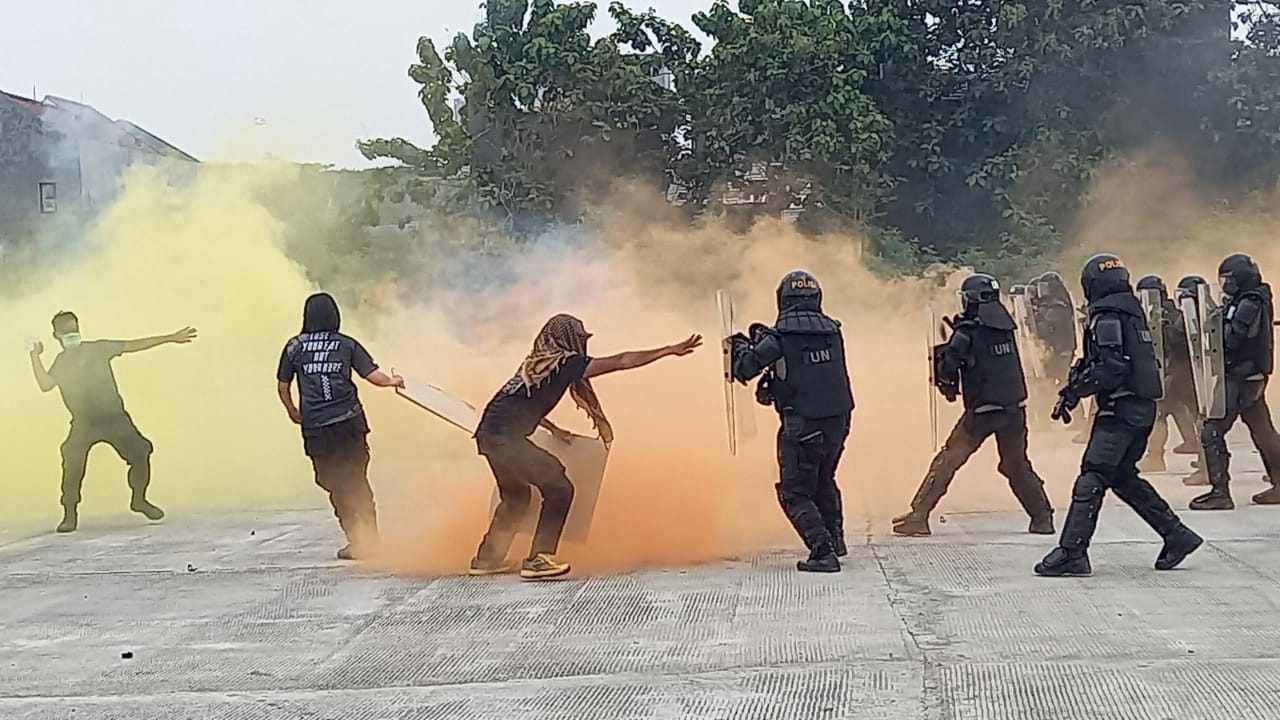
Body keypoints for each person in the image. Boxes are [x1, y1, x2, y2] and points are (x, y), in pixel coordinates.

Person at [470, 314, 701, 580]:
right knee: (559, 488)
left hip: (488, 436)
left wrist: (552, 428)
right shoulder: (564, 363)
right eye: (578, 339)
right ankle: (538, 559)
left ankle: (487, 559)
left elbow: (514, 404)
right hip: (506, 440)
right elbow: (621, 361)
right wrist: (667, 350)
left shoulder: (534, 364)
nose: (581, 345)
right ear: (566, 339)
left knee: (516, 497)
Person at [1035, 254, 1202, 577]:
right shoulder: (1129, 312)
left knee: (1093, 475)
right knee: (1123, 477)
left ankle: (1072, 551)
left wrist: (1075, 392)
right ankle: (1177, 535)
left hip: (1121, 408)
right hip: (1137, 407)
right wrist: (1074, 389)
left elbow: (1110, 367)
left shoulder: (1109, 316)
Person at [892, 273, 1055, 537]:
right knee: (1016, 464)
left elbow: (948, 369)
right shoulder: (1006, 327)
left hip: (982, 412)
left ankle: (919, 515)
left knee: (948, 459)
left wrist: (941, 357)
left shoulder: (967, 332)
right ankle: (1042, 517)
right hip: (1014, 409)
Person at [729, 271, 854, 572]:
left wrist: (739, 345)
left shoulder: (781, 337)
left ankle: (822, 551)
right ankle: (835, 539)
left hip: (803, 425)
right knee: (824, 479)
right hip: (839, 420)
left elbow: (745, 369)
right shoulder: (832, 332)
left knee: (795, 492)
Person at [29, 311, 197, 533]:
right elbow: (45, 384)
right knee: (72, 464)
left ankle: (139, 499)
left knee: (141, 452)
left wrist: (169, 337)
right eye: (66, 332)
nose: (72, 335)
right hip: (84, 423)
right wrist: (34, 356)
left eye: (74, 330)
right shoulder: (61, 362)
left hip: (115, 419)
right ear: (56, 336)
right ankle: (69, 514)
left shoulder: (98, 349)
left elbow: (133, 345)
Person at [276, 293, 404, 560]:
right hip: (349, 422)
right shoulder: (347, 345)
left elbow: (283, 384)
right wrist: (394, 381)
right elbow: (373, 376)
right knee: (357, 480)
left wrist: (292, 410)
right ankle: (370, 539)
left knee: (332, 482)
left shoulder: (294, 347)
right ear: (335, 316)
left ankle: (357, 540)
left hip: (316, 427)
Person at [1189, 253, 1280, 509]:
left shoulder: (1249, 302)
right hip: (1250, 376)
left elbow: (1232, 338)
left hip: (1241, 376)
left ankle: (1220, 493)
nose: (1225, 284)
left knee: (1212, 430)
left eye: (1227, 279)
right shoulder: (1249, 299)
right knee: (1263, 432)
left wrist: (1216, 322)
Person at [1135, 275, 1201, 473]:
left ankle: (1155, 457)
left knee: (1159, 413)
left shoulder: (1161, 314)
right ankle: (1199, 451)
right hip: (1185, 373)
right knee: (1185, 410)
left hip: (1175, 371)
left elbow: (1169, 343)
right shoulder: (1174, 312)